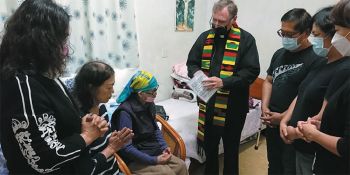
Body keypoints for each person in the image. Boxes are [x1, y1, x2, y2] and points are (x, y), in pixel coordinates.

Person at [0, 0, 123, 174]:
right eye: (62, 38)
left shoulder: (45, 76)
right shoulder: (21, 85)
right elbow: (43, 159)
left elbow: (59, 121)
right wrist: (87, 136)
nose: (66, 48)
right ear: (43, 40)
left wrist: (82, 122)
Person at [186, 0, 260, 174]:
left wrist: (224, 82)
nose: (217, 25)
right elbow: (192, 63)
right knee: (210, 148)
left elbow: (251, 71)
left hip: (234, 106)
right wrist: (199, 76)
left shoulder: (246, 40)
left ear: (234, 19)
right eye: (214, 20)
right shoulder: (205, 37)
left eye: (222, 21)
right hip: (208, 105)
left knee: (231, 149)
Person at [279, 6, 350, 174]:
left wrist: (296, 132)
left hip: (314, 149)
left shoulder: (343, 70)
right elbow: (302, 94)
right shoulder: (321, 61)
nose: (313, 40)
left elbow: (326, 118)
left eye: (316, 35)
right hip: (300, 139)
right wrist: (285, 120)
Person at [261, 8, 324, 175]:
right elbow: (268, 80)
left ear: (306, 33)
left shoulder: (317, 58)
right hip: (272, 122)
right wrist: (264, 107)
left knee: (290, 168)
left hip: (295, 128)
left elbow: (304, 95)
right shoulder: (279, 54)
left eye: (290, 34)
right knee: (273, 165)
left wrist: (282, 117)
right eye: (282, 33)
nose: (285, 38)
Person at [111, 70, 188, 175]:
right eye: (152, 92)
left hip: (151, 149)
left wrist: (164, 147)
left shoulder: (149, 103)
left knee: (181, 165)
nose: (155, 94)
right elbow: (127, 148)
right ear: (140, 93)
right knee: (166, 172)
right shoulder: (125, 113)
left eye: (155, 90)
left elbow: (155, 129)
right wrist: (154, 160)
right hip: (134, 157)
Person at [72, 61, 134, 174]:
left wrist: (114, 140)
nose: (113, 91)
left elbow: (103, 142)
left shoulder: (102, 109)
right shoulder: (80, 120)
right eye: (109, 87)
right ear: (91, 88)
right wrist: (111, 148)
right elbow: (86, 170)